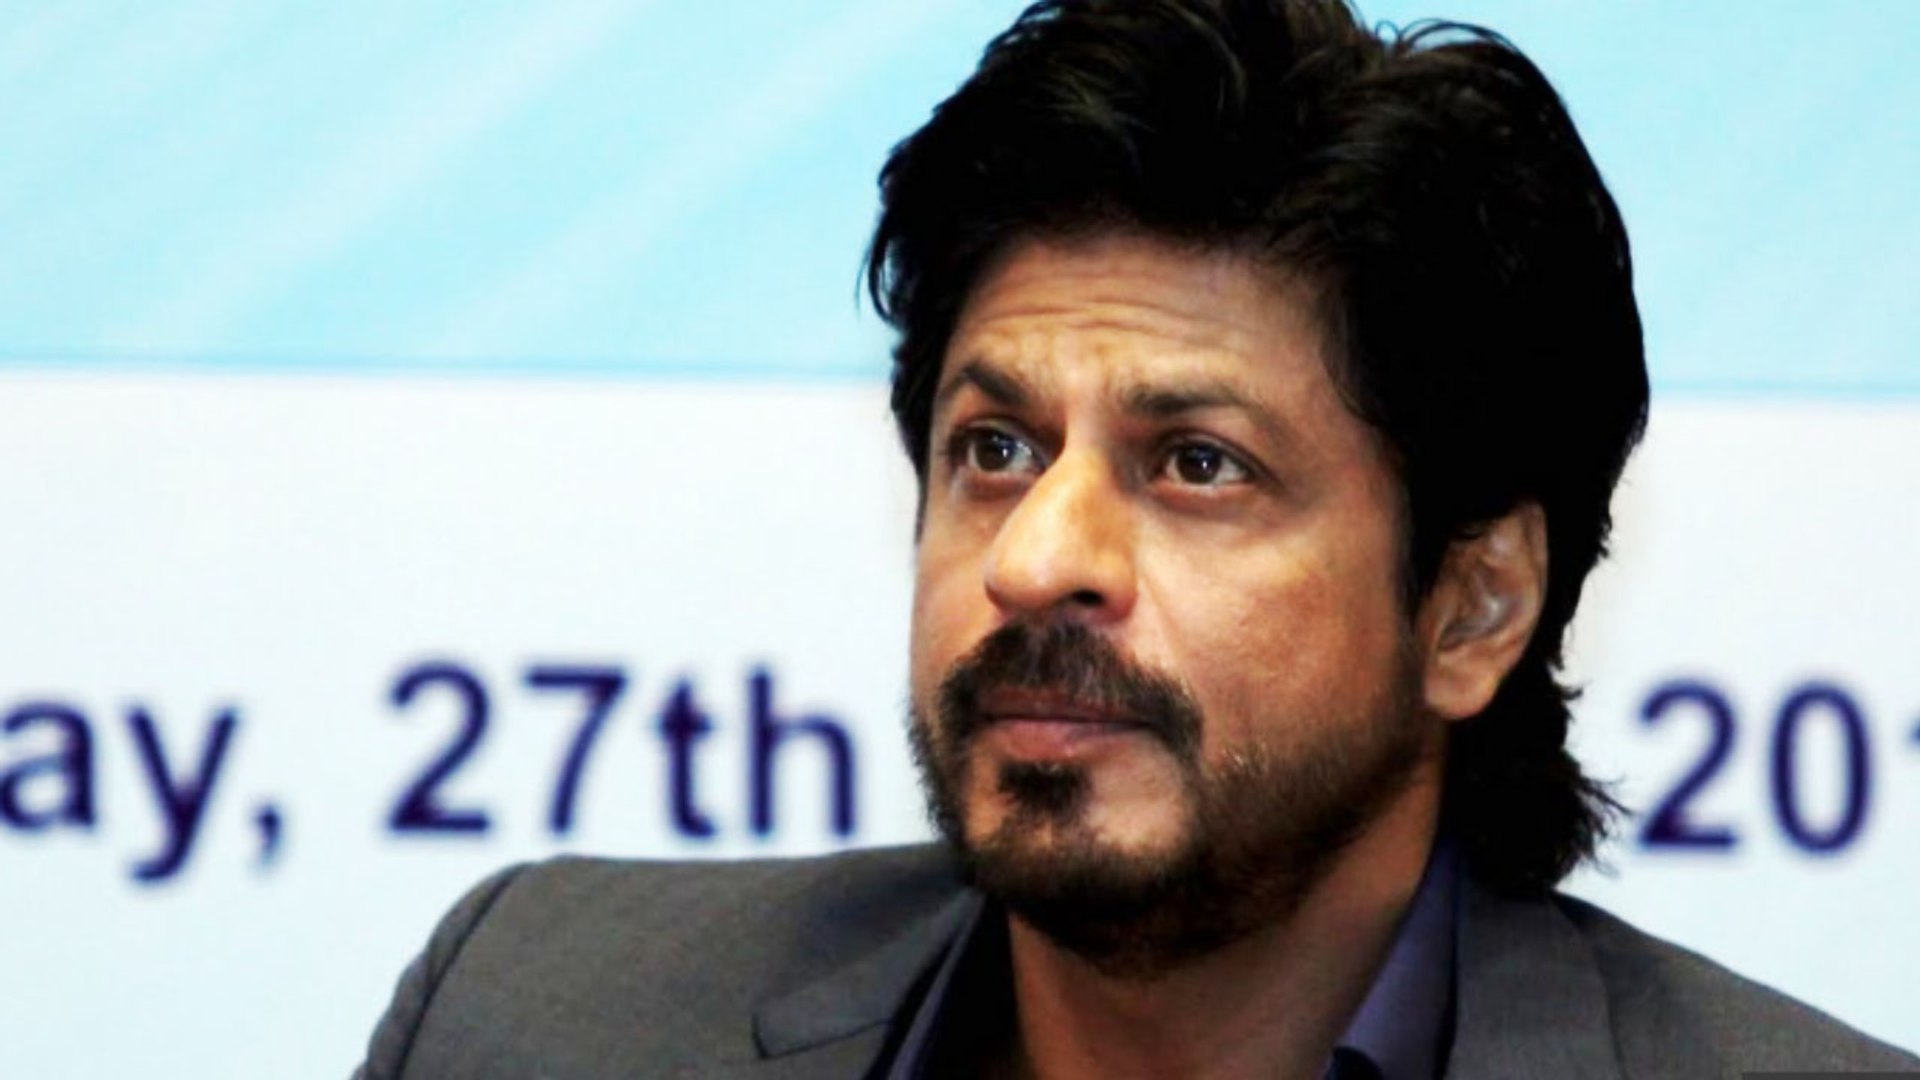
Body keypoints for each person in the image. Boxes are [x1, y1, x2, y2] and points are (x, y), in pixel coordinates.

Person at [357, 1, 1918, 1076]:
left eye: (1196, 465)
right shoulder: (538, 1016)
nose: (1036, 560)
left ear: (1471, 608)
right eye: (995, 448)